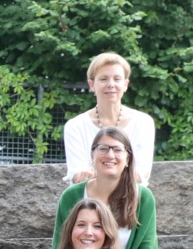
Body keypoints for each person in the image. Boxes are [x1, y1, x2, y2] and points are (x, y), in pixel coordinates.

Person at [53, 127, 162, 249]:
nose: (110, 155)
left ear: (128, 159)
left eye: (118, 149)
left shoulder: (143, 197)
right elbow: (59, 248)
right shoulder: (71, 196)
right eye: (103, 148)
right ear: (92, 155)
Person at [63, 52, 156, 186]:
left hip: (130, 202)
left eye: (117, 79)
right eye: (103, 79)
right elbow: (77, 177)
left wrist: (96, 172)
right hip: (89, 203)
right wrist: (121, 170)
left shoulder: (143, 123)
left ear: (125, 84)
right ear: (91, 85)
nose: (111, 84)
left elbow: (140, 174)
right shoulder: (75, 126)